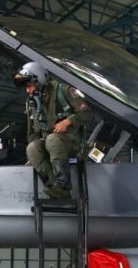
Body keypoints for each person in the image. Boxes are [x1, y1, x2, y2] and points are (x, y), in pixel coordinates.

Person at [14, 62, 93, 199]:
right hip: (52, 144)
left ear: (39, 80)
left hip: (72, 143)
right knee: (32, 148)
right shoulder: (32, 103)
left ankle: (63, 186)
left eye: (29, 86)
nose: (28, 91)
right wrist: (33, 156)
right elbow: (32, 133)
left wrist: (68, 121)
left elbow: (87, 113)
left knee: (52, 139)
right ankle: (54, 188)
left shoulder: (64, 91)